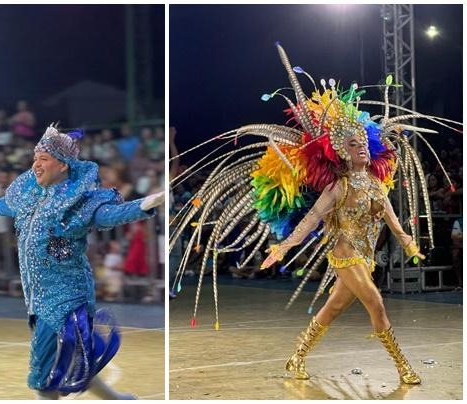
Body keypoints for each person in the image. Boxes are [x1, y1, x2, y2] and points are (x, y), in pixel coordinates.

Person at [169, 44, 461, 386]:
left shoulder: (377, 185)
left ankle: (297, 357)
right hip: (344, 253)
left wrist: (408, 243)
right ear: (340, 151)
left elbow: (392, 220)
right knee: (376, 303)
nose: (362, 147)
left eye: (363, 143)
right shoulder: (337, 187)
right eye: (353, 144)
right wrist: (282, 248)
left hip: (366, 256)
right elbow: (310, 221)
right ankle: (403, 367)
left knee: (334, 308)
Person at [0, 124, 164, 399]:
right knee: (74, 358)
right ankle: (118, 399)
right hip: (38, 295)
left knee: (45, 372)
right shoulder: (28, 196)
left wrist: (146, 204)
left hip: (67, 293)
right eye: (35, 158)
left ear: (63, 165)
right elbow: (2, 206)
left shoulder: (79, 203)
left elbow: (109, 216)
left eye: (43, 159)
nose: (36, 164)